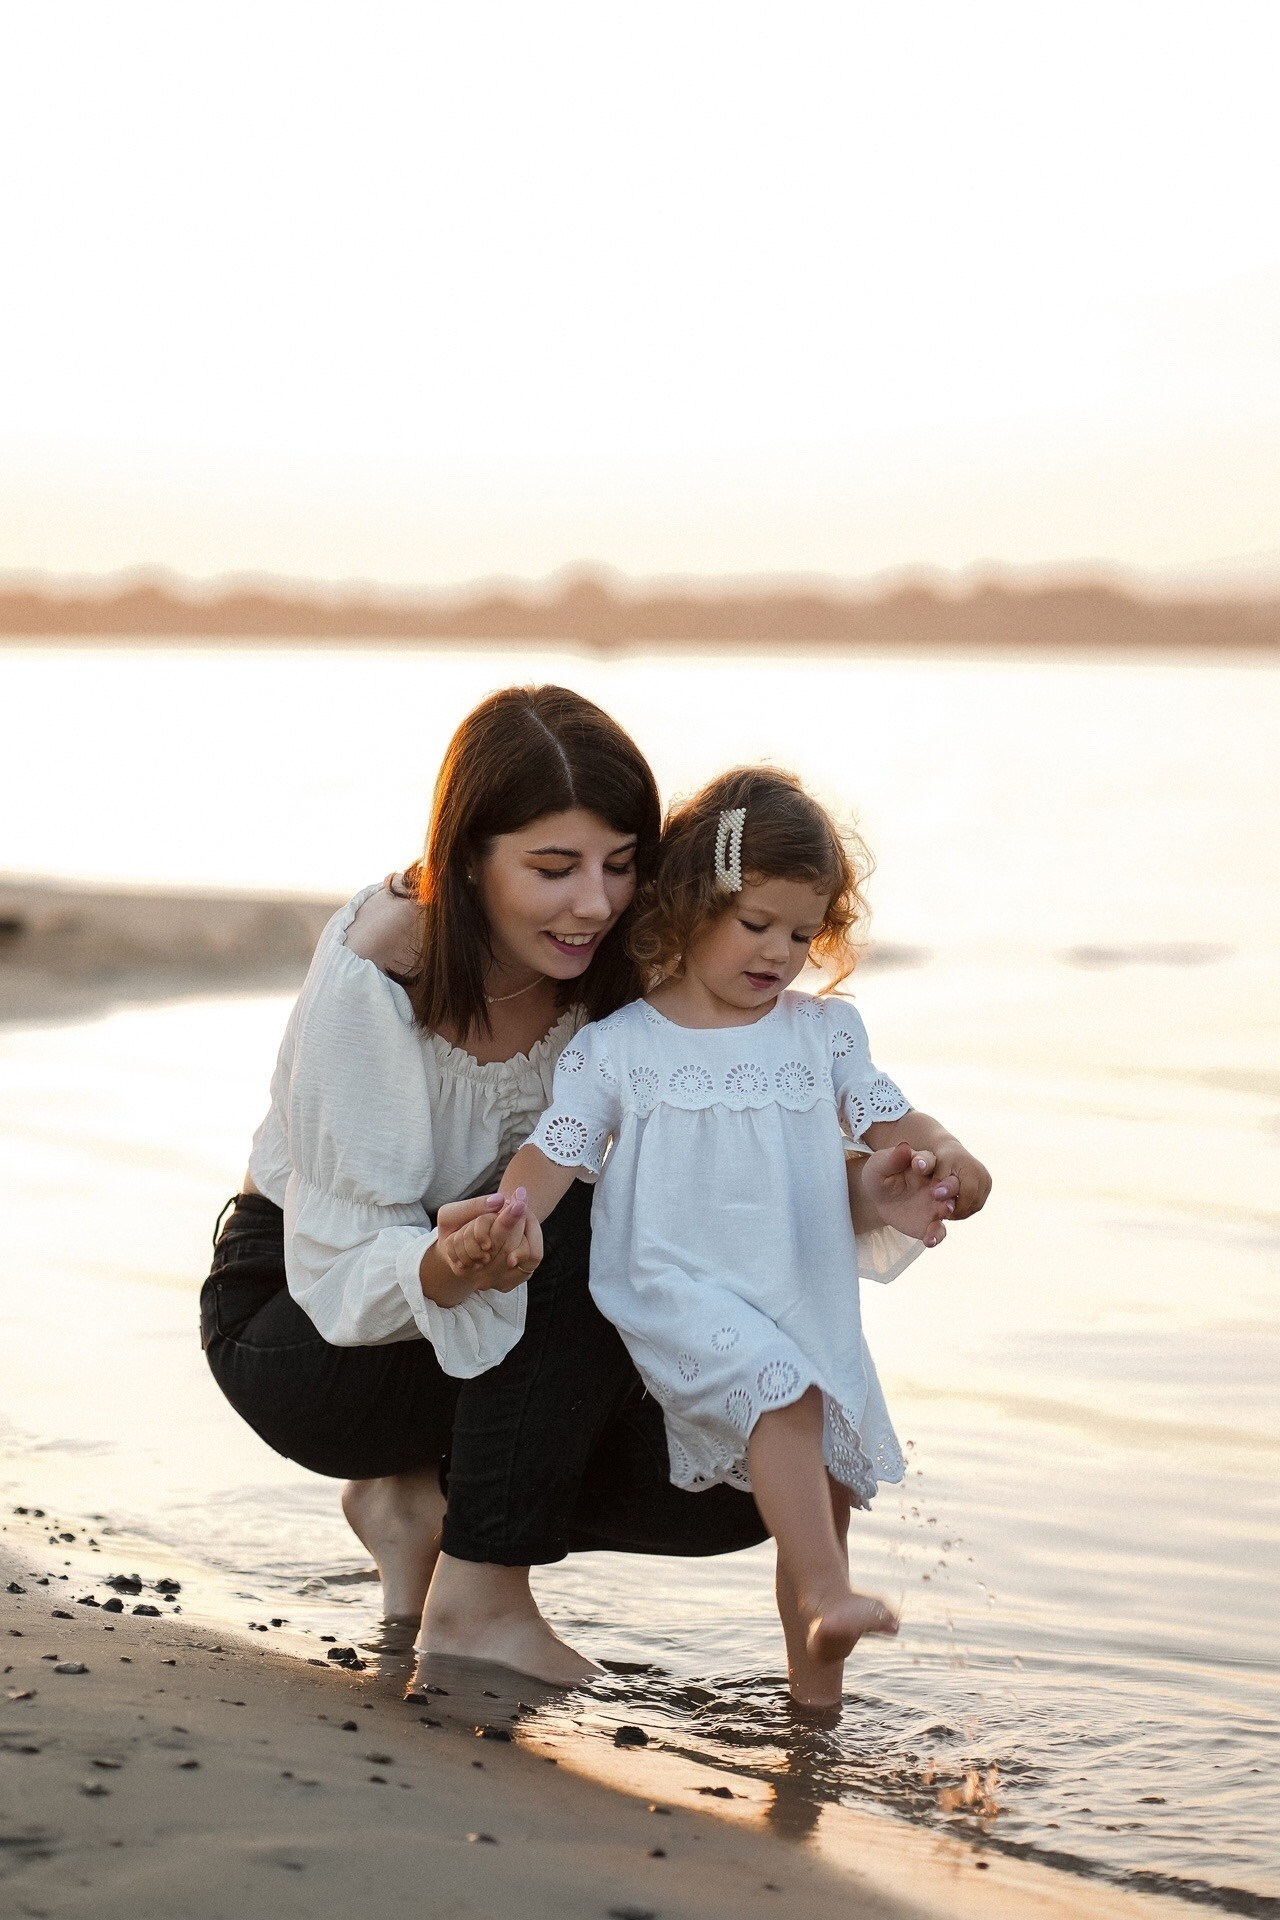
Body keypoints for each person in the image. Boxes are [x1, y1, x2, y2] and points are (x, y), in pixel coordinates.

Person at [201, 687, 770, 1687]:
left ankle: (412, 1503)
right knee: (576, 1209)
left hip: (493, 1318)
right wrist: (444, 1259)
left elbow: (730, 1129)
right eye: (552, 868)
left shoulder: (614, 961)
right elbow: (335, 1271)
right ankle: (480, 1605)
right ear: (469, 857)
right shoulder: (381, 976)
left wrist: (879, 1176)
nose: (592, 902)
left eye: (619, 865)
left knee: (758, 1475)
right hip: (305, 1329)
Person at [477, 766, 992, 1706]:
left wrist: (952, 1165)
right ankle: (831, 1598)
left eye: (802, 933)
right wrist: (506, 1220)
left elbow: (899, 1130)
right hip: (674, 1287)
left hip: (800, 1289)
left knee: (824, 1497)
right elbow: (552, 1155)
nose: (780, 953)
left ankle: (816, 1703)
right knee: (783, 1392)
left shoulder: (824, 1036)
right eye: (756, 924)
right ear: (690, 903)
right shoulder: (620, 1047)